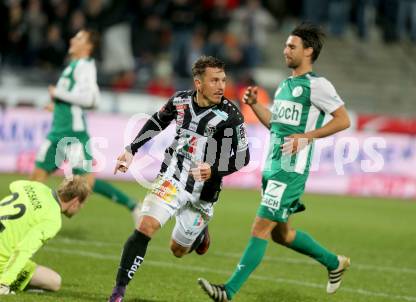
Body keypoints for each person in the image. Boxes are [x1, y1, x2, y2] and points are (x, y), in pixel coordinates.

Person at [198, 23, 352, 301]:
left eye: (291, 46)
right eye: (285, 45)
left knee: (260, 227)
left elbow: (343, 120)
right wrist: (256, 105)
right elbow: (277, 125)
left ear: (308, 51)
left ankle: (227, 291)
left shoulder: (318, 85)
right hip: (273, 166)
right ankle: (335, 263)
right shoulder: (286, 85)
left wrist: (307, 137)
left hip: (291, 170)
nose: (285, 50)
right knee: (282, 234)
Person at [108, 55, 250, 301]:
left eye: (223, 80)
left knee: (177, 250)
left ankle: (200, 234)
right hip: (172, 179)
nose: (221, 86)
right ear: (199, 83)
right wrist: (131, 149)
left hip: (204, 193)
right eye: (214, 80)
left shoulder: (231, 115)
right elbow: (157, 122)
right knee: (145, 227)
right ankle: (118, 291)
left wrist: (214, 170)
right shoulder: (180, 101)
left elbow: (243, 157)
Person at [30, 28, 141, 222]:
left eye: (79, 37)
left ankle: (133, 205)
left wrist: (58, 94)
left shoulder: (85, 66)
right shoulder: (72, 66)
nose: (73, 39)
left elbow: (91, 100)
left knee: (81, 189)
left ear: (88, 46)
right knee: (35, 181)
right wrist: (56, 106)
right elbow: (75, 99)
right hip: (57, 133)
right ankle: (28, 221)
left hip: (74, 136)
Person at [0, 176, 90, 295]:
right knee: (54, 281)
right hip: (2, 261)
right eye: (82, 203)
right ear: (75, 200)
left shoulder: (36, 187)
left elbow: (14, 184)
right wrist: (5, 283)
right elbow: (24, 250)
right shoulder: (53, 220)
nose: (81, 207)